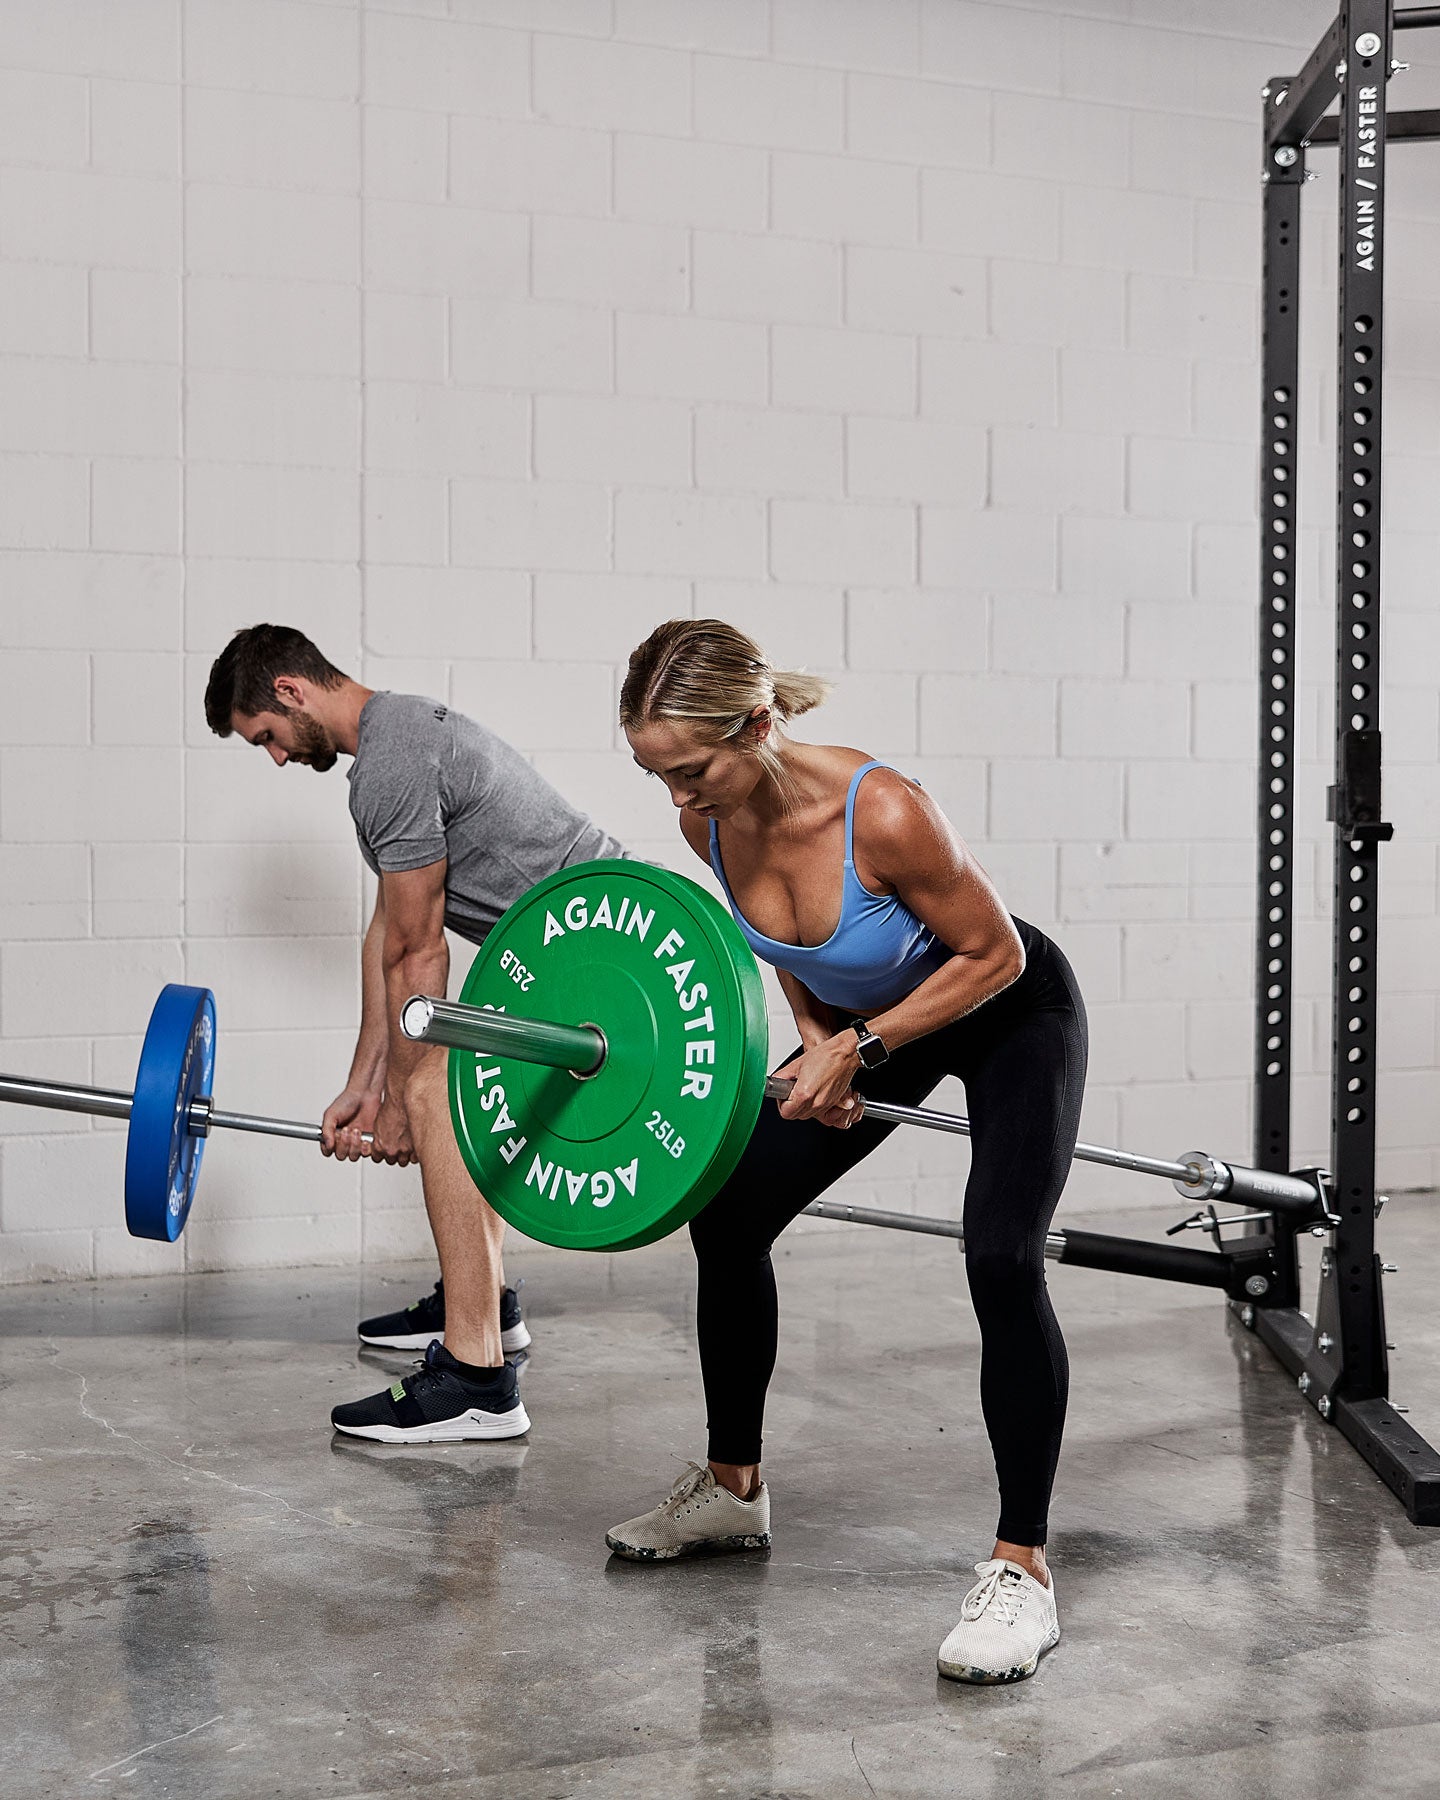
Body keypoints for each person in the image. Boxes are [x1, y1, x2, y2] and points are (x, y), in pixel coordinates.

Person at [608, 619, 1087, 1686]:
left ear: (760, 725)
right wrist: (824, 1044)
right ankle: (735, 1492)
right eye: (658, 776)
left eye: (693, 771)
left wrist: (863, 1047)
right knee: (727, 1214)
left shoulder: (882, 808)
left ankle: (1025, 1573)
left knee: (1001, 1258)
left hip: (1006, 1011)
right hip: (874, 1025)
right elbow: (792, 954)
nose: (679, 802)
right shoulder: (710, 825)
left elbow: (996, 951)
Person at [204, 625, 627, 1444]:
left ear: (290, 691)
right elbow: (386, 935)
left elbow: (419, 950)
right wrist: (365, 1085)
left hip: (600, 957)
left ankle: (476, 1380)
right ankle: (486, 1305)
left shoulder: (391, 763)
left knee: (437, 1090)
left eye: (267, 737)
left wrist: (403, 1098)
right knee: (435, 1082)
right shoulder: (392, 745)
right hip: (558, 956)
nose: (277, 758)